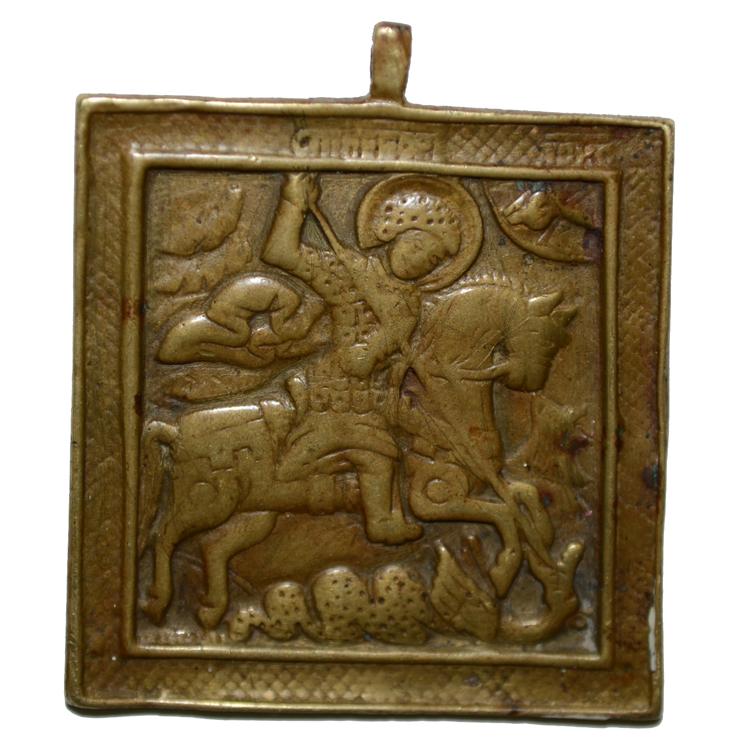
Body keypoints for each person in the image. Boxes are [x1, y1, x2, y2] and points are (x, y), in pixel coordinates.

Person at [263, 172, 479, 544]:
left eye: (431, 262)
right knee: (370, 453)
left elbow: (392, 335)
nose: (421, 263)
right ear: (395, 236)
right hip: (332, 390)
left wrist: (374, 351)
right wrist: (293, 203)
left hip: (375, 398)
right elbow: (279, 253)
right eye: (418, 248)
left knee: (382, 453)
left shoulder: (408, 301)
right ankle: (368, 518)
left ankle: (379, 516)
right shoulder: (349, 272)